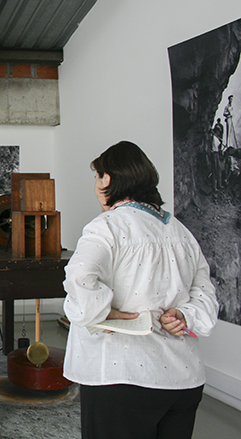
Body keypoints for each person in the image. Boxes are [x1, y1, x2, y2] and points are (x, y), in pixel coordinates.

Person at [62, 140, 219, 439]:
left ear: (107, 179)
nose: (96, 185)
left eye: (97, 177)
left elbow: (79, 278)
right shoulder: (180, 230)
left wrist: (106, 313)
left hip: (123, 379)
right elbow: (206, 295)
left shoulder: (106, 226)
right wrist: (182, 316)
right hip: (183, 380)